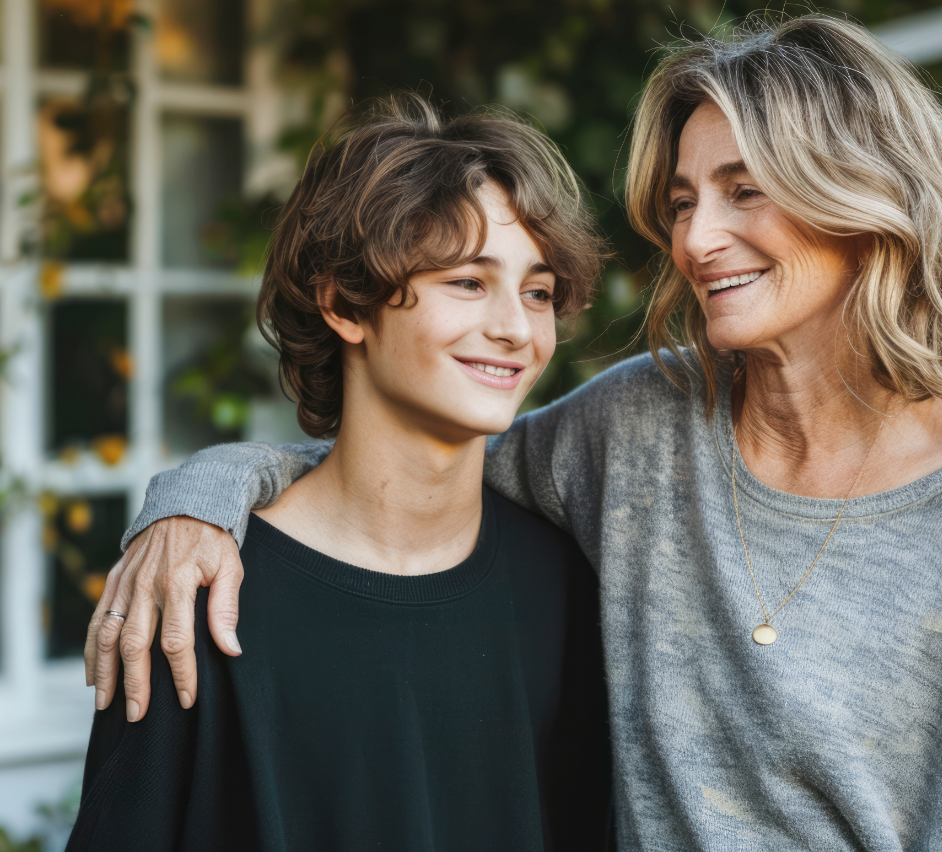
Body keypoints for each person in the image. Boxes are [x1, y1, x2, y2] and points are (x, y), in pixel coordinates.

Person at [90, 12, 942, 850]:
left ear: (862, 198)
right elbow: (405, 464)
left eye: (744, 190)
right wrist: (201, 499)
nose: (696, 240)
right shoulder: (635, 430)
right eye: (681, 201)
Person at [66, 95, 612, 852]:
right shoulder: (194, 591)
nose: (517, 329)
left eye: (539, 292)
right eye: (467, 281)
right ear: (343, 304)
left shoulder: (564, 586)